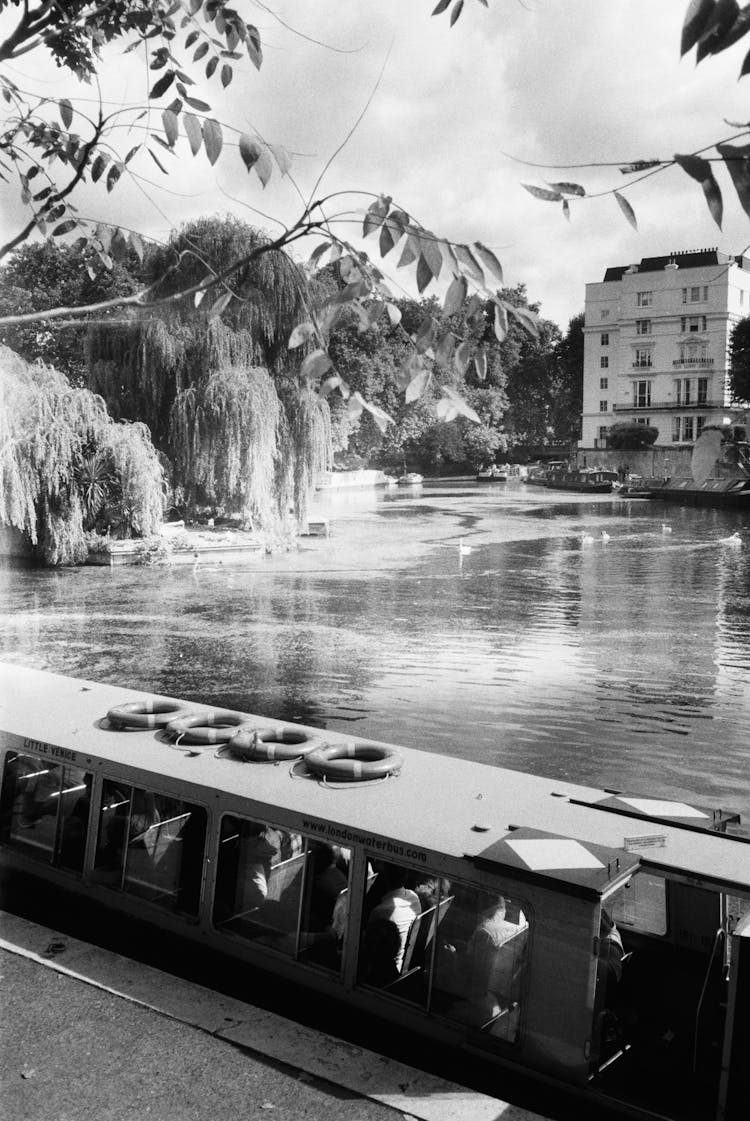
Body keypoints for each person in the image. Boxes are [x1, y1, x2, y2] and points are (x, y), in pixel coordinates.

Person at [366, 863, 421, 973]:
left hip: (388, 968)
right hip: (406, 963)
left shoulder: (380, 911)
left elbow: (369, 946)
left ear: (384, 878)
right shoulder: (413, 897)